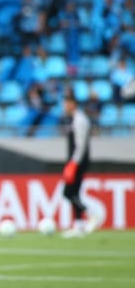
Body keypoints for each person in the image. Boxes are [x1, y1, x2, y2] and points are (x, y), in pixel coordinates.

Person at [61, 91, 98, 237]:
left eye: (66, 103)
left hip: (78, 162)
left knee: (68, 192)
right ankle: (78, 225)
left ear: (72, 104)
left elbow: (81, 145)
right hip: (76, 161)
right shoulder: (74, 119)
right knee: (74, 193)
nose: (64, 106)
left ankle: (92, 214)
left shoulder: (79, 120)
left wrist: (73, 163)